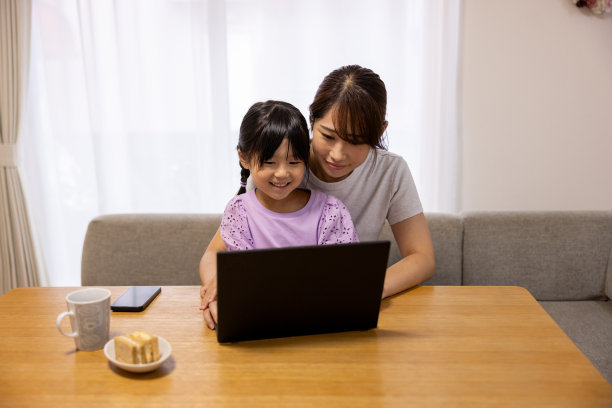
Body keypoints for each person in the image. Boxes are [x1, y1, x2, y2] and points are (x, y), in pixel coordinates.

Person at [200, 66, 435, 329]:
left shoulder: (391, 170)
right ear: (312, 120)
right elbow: (215, 252)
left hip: (337, 312)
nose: (338, 154)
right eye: (328, 136)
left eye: (356, 141)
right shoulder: (278, 171)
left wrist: (362, 290)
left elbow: (422, 257)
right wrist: (215, 290)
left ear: (379, 132)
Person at [217, 100, 358, 252]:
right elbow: (242, 270)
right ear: (244, 158)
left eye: (293, 162)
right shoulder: (238, 212)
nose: (282, 173)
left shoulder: (330, 211)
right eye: (270, 162)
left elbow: (342, 269)